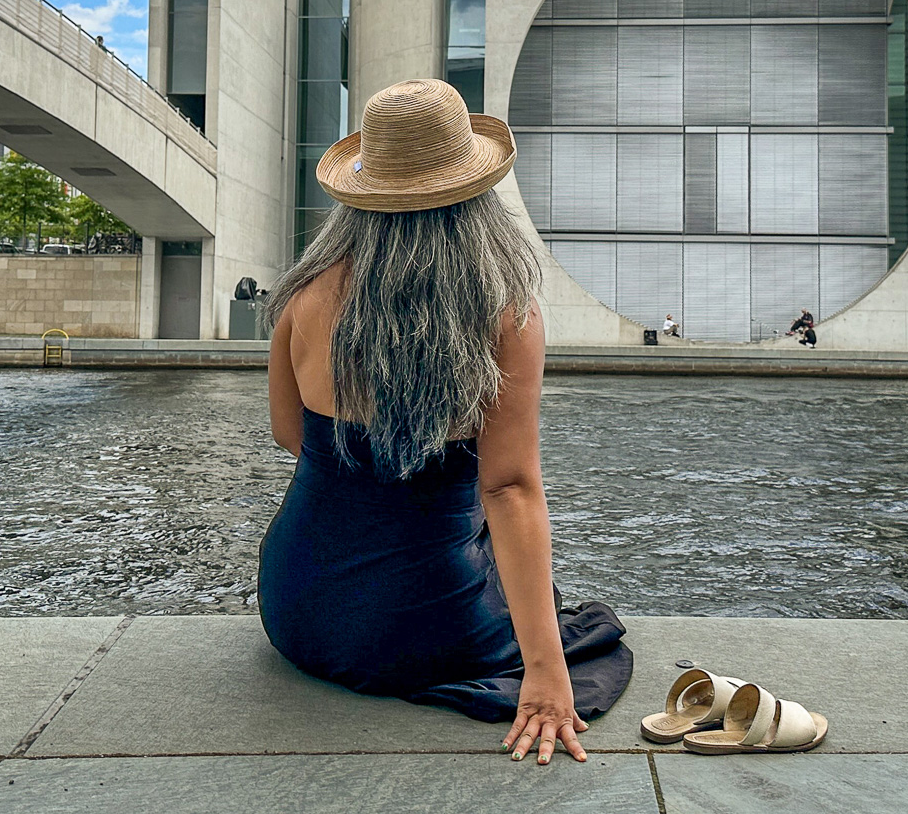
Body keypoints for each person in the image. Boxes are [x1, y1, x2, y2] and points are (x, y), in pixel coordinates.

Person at [258, 79, 631, 766]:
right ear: (475, 192)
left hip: (296, 608)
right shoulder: (504, 311)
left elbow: (293, 437)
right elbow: (510, 489)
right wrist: (547, 674)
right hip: (425, 623)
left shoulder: (303, 297)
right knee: (579, 624)